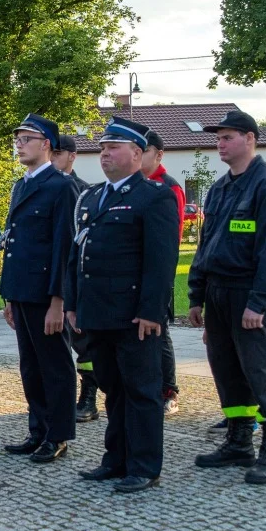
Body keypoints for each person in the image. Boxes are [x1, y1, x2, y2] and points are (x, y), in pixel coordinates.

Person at [66, 117, 179, 493]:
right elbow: (76, 254)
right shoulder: (94, 197)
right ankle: (115, 459)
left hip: (133, 315)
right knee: (112, 389)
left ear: (136, 153)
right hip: (97, 312)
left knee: (142, 390)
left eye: (113, 147)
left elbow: (161, 261)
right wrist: (72, 303)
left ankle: (144, 465)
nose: (104, 154)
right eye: (101, 148)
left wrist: (151, 311)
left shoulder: (153, 195)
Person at [188, 109, 266, 485]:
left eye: (228, 137)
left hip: (251, 293)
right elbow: (207, 245)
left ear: (250, 139)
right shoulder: (220, 188)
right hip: (219, 292)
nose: (221, 143)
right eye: (218, 138)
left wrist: (259, 301)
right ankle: (239, 441)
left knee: (264, 369)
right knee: (227, 369)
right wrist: (197, 295)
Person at [0, 114, 79, 463]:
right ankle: (38, 430)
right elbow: (17, 243)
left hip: (46, 295)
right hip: (23, 290)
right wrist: (9, 296)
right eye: (18, 138)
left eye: (27, 138)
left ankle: (58, 435)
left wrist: (58, 302)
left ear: (46, 144)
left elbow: (63, 247)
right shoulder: (22, 185)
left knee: (55, 366)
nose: (19, 143)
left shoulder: (61, 187)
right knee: (31, 367)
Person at [52, 133, 101, 424]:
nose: (54, 158)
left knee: (85, 345)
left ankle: (89, 396)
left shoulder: (85, 193)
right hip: (51, 281)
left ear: (72, 156)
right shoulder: (42, 189)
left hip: (78, 282)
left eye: (58, 153)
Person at [140, 130, 186, 417]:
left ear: (158, 154)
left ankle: (169, 389)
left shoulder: (169, 187)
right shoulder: (135, 185)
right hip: (133, 274)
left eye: (143, 150)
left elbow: (173, 236)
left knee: (160, 331)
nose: (138, 155)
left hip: (157, 271)